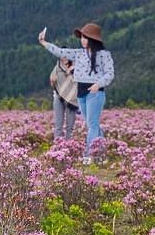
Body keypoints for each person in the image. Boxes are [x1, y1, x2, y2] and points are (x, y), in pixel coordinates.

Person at [40, 23, 115, 164]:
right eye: (81, 37)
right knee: (92, 124)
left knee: (92, 125)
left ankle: (88, 155)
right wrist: (44, 43)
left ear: (93, 39)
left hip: (95, 92)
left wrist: (97, 84)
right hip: (81, 92)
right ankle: (101, 155)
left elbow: (110, 74)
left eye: (85, 37)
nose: (82, 40)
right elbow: (60, 52)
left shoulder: (104, 55)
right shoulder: (79, 53)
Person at [50, 57, 79, 139]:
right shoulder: (57, 68)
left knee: (70, 125)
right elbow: (53, 84)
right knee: (58, 124)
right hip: (58, 97)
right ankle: (58, 146)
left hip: (71, 99)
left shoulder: (75, 67)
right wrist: (53, 81)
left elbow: (79, 82)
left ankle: (69, 145)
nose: (64, 58)